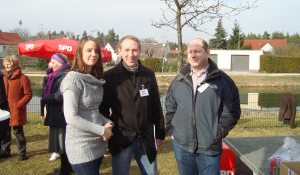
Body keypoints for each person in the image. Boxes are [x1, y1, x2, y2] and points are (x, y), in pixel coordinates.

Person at [165, 38, 241, 175]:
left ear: (207, 52)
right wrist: (172, 130)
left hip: (209, 147)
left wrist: (217, 133)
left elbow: (232, 111)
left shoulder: (222, 81)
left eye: (197, 51)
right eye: (190, 52)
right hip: (182, 146)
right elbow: (170, 105)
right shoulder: (179, 79)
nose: (193, 55)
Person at [100, 35, 166, 175]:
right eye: (127, 50)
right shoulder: (110, 77)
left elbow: (156, 105)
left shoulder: (148, 75)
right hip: (121, 137)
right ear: (119, 51)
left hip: (146, 138)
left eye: (134, 50)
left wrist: (160, 132)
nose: (131, 54)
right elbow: (103, 109)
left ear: (140, 50)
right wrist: (107, 128)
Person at [60, 37, 113, 175]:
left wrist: (107, 122)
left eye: (96, 51)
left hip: (98, 145)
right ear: (80, 53)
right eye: (89, 50)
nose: (93, 54)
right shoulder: (73, 79)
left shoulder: (94, 78)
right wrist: (102, 131)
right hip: (80, 146)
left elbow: (93, 110)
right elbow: (71, 117)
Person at [40, 53, 72, 175]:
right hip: (56, 113)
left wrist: (46, 99)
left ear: (59, 64)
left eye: (53, 62)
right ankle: (66, 167)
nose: (50, 64)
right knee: (61, 141)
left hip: (61, 113)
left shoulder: (63, 76)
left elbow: (60, 95)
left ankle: (64, 169)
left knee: (62, 142)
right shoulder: (54, 75)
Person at [2, 55, 32, 161]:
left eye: (8, 63)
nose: (6, 65)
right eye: (5, 63)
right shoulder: (2, 77)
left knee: (18, 132)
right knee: (4, 132)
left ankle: (22, 153)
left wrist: (19, 105)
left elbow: (28, 94)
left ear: (14, 65)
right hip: (4, 110)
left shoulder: (23, 78)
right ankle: (5, 151)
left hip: (16, 110)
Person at [0, 71, 10, 159]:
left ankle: (5, 151)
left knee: (4, 131)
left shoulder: (1, 77)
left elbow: (2, 95)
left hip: (2, 108)